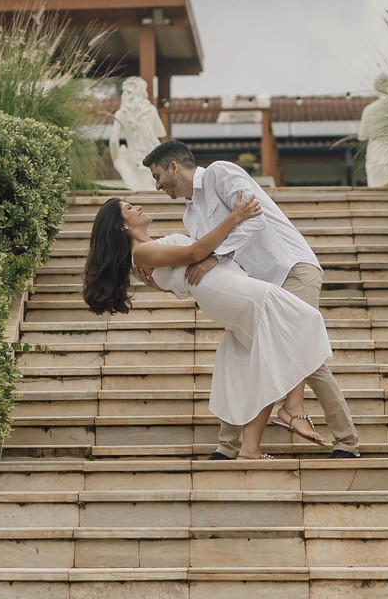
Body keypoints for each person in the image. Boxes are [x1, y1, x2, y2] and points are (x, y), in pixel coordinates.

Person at [140, 139, 361, 460]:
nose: (158, 186)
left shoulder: (220, 174)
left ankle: (347, 443)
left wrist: (214, 255)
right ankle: (228, 447)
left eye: (158, 176)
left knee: (306, 356)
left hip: (290, 268)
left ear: (174, 167)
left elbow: (255, 218)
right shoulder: (191, 217)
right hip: (258, 287)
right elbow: (205, 259)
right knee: (244, 359)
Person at [83, 195, 332, 460]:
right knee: (303, 319)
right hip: (223, 287)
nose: (138, 207)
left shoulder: (148, 250)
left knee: (265, 351)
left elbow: (180, 278)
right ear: (122, 226)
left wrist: (159, 283)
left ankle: (250, 449)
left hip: (223, 286)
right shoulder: (142, 252)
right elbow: (194, 253)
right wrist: (235, 217)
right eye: (129, 208)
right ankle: (292, 408)